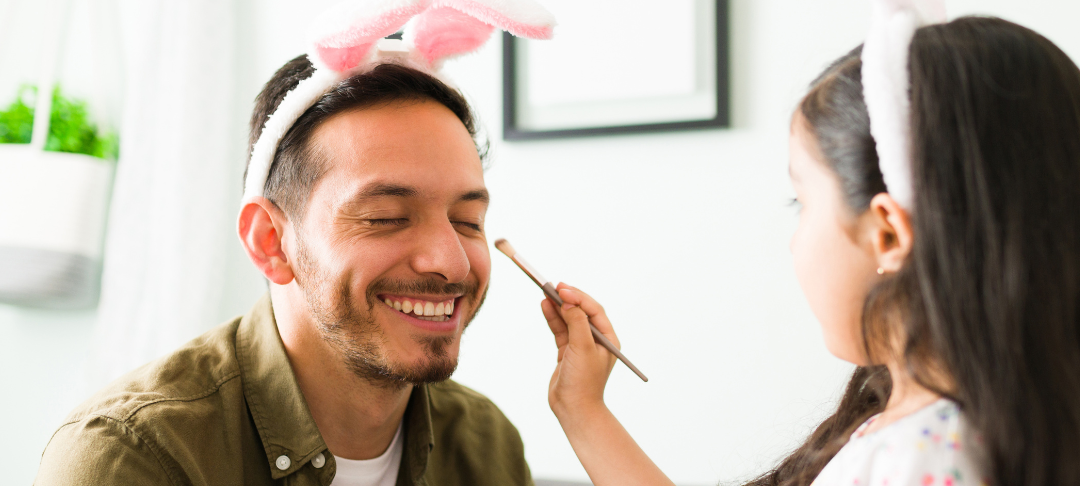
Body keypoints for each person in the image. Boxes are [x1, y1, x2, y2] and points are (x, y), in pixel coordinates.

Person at [539, 13, 1080, 486]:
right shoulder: (946, 428)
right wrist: (582, 407)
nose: (795, 240)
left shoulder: (921, 456)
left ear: (887, 233)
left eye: (800, 201)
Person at [34, 0, 557, 483]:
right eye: (387, 217)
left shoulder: (488, 446)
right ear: (270, 242)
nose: (450, 262)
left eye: (467, 221)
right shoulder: (135, 456)